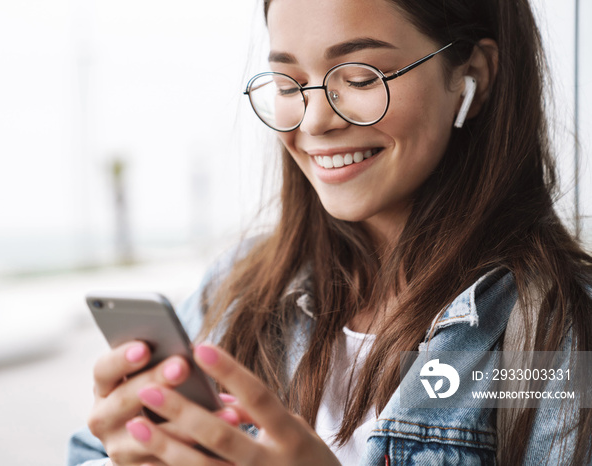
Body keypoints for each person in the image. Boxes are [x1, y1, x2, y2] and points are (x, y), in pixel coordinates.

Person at [68, 0, 592, 464]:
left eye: (361, 77)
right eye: (288, 84)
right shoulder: (238, 286)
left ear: (473, 75)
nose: (315, 120)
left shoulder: (560, 328)